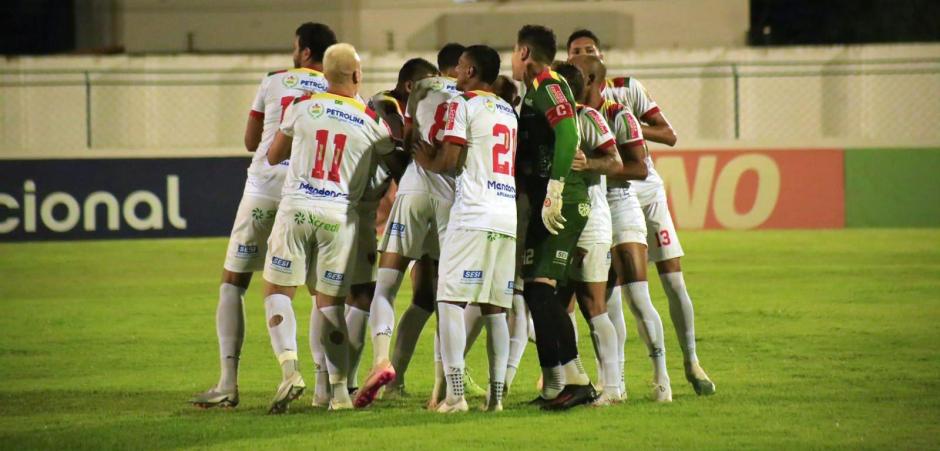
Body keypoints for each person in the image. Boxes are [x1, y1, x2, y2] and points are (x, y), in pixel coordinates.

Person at [190, 22, 336, 409]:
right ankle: (325, 388)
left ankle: (228, 383)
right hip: (309, 193)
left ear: (305, 52)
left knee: (234, 282)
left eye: (295, 47)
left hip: (264, 189)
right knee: (319, 291)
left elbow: (251, 141)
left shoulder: (273, 81)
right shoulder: (336, 89)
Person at [567, 29, 715, 396]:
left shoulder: (624, 97)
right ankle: (612, 382)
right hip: (600, 203)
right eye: (574, 52)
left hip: (637, 195)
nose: (580, 57)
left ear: (596, 65)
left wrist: (619, 141)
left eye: (587, 51)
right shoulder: (573, 109)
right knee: (608, 299)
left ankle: (683, 365)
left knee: (661, 285)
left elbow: (660, 144)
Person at [260, 43, 397, 412]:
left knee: (278, 290)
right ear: (357, 75)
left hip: (296, 209)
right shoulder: (371, 120)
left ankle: (290, 369)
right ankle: (338, 393)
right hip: (339, 218)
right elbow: (392, 164)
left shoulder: (302, 106)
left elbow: (274, 155)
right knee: (331, 306)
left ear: (324, 75)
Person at [355, 45, 466, 407]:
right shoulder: (467, 97)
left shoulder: (406, 97)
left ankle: (382, 362)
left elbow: (399, 137)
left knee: (391, 286)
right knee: (441, 297)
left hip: (414, 190)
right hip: (450, 197)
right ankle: (439, 386)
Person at [412, 44, 518, 413]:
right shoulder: (508, 110)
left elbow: (449, 160)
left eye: (459, 67)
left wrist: (425, 158)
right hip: (505, 214)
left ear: (471, 71)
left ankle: (455, 395)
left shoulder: (462, 104)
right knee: (495, 308)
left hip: (473, 213)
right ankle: (497, 396)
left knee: (449, 301)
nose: (455, 73)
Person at [330, 57, 438, 407]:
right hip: (353, 210)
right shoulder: (384, 105)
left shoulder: (415, 111)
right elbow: (399, 161)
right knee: (357, 294)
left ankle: (386, 379)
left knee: (425, 295)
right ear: (410, 86)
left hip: (381, 206)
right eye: (429, 85)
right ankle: (343, 380)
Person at [512, 24, 595, 410]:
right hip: (546, 200)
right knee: (535, 290)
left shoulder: (549, 84)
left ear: (524, 52)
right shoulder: (534, 91)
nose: (512, 60)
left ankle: (579, 379)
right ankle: (553, 384)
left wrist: (556, 189)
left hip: (563, 200)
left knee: (543, 290)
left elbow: (567, 134)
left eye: (514, 52)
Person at [550, 62, 625, 405]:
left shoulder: (587, 117)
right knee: (555, 305)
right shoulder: (552, 119)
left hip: (591, 221)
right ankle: (569, 383)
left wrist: (589, 164)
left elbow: (616, 162)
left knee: (593, 305)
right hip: (560, 220)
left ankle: (613, 388)